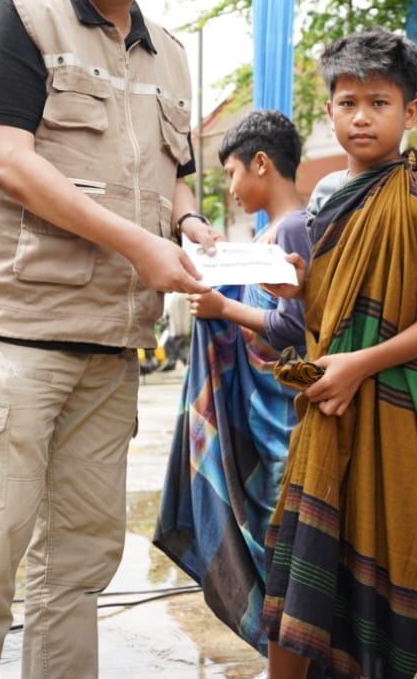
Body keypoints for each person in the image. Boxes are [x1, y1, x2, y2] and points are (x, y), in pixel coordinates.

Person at [0, 0, 220, 679]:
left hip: (110, 343)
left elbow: (177, 178)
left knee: (80, 565)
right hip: (18, 332)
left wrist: (190, 224)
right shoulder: (15, 14)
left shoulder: (170, 55)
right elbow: (6, 161)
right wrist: (140, 246)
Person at [260, 27, 417, 679]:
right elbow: (326, 312)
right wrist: (297, 284)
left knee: (408, 563)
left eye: (379, 102)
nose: (361, 116)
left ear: (411, 112)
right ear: (328, 112)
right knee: (309, 577)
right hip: (331, 403)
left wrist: (362, 364)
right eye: (347, 102)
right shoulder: (322, 198)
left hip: (404, 404)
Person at [154, 109, 310, 652]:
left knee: (280, 541)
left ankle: (291, 653)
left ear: (261, 164)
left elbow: (292, 329)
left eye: (229, 173)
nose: (229, 187)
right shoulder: (269, 233)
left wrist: (223, 307)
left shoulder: (291, 229)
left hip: (281, 419)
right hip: (267, 415)